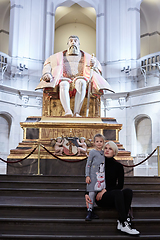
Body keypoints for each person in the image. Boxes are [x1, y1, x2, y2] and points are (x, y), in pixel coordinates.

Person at [36, 35, 114, 117]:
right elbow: (48, 65)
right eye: (71, 41)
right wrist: (46, 73)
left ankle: (77, 112)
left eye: (75, 41)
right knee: (63, 84)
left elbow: (97, 70)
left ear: (79, 44)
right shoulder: (56, 57)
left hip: (81, 80)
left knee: (81, 82)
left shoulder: (88, 57)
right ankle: (67, 111)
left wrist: (94, 65)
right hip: (63, 80)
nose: (73, 42)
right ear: (67, 44)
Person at [85, 141, 140, 235]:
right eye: (105, 148)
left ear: (114, 152)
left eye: (110, 149)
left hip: (111, 194)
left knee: (128, 191)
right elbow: (91, 180)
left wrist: (105, 190)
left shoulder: (118, 166)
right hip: (100, 198)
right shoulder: (98, 163)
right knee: (118, 193)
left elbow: (120, 186)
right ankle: (124, 222)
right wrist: (87, 194)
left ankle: (121, 222)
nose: (107, 150)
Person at [85, 133, 105, 221]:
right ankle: (90, 211)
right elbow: (88, 165)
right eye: (97, 141)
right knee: (91, 193)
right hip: (93, 176)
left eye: (101, 141)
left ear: (104, 143)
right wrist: (87, 175)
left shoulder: (105, 153)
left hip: (102, 177)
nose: (99, 143)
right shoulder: (92, 152)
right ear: (94, 143)